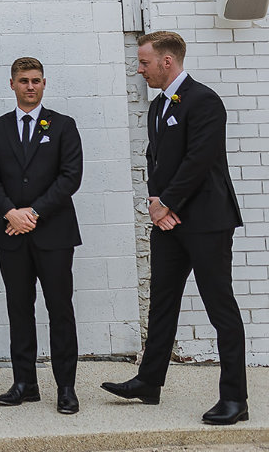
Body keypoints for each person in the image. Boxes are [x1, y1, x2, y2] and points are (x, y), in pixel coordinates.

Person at [102, 31, 247, 425]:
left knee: (221, 308)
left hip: (207, 223)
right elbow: (155, 160)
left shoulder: (205, 101)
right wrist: (156, 203)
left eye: (144, 62)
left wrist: (166, 203)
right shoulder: (156, 107)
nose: (140, 68)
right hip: (168, 223)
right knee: (162, 302)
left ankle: (235, 400)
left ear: (167, 61)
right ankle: (149, 382)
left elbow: (199, 160)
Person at [0, 57, 83, 415]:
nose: (30, 86)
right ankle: (24, 383)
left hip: (54, 234)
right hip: (11, 233)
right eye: (23, 80)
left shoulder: (64, 126)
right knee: (19, 309)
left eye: (36, 80)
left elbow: (70, 177)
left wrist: (33, 213)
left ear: (44, 84)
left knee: (59, 310)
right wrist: (11, 212)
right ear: (12, 84)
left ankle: (66, 387)